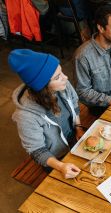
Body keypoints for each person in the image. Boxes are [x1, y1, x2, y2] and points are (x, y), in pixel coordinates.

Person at [9, 49, 85, 179]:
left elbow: (74, 104)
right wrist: (61, 166)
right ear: (43, 86)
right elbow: (37, 151)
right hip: (55, 158)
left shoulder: (63, 85)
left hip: (75, 139)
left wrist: (78, 128)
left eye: (61, 72)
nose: (65, 78)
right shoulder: (25, 116)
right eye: (57, 77)